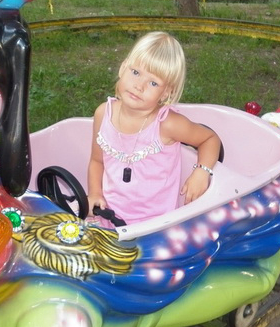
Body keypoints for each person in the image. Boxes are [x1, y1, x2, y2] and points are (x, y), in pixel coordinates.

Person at [87, 31, 221, 226]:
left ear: (166, 92)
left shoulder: (167, 124)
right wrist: (94, 193)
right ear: (123, 67)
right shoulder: (103, 114)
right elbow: (96, 161)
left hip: (155, 226)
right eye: (135, 72)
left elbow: (209, 139)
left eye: (153, 83)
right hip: (108, 216)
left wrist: (202, 171)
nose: (139, 86)